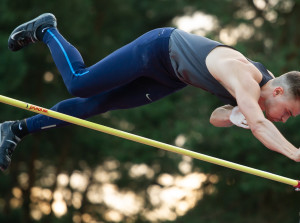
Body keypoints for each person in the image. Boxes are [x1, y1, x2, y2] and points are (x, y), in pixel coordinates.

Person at [1, 13, 300, 171]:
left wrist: (236, 115)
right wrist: (295, 154)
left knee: (94, 105)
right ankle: (46, 29)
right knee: (80, 83)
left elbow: (215, 117)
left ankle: (16, 129)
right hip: (158, 49)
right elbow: (260, 124)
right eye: (287, 112)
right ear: (276, 91)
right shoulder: (246, 80)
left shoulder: (257, 92)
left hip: (170, 77)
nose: (284, 119)